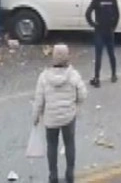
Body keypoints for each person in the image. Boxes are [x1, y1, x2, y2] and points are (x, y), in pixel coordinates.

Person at [32, 44, 87, 183]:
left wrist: (36, 117)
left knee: (52, 146)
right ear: (67, 57)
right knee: (69, 144)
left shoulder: (44, 77)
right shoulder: (73, 75)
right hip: (68, 117)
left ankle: (53, 176)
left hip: (50, 119)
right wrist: (75, 105)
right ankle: (70, 174)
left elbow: (39, 100)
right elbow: (83, 95)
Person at [85, 0, 120, 88]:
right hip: (109, 30)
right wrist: (113, 26)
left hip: (99, 30)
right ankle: (113, 75)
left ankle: (97, 78)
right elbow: (117, 14)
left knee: (98, 55)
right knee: (111, 53)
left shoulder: (97, 0)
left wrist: (93, 24)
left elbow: (87, 13)